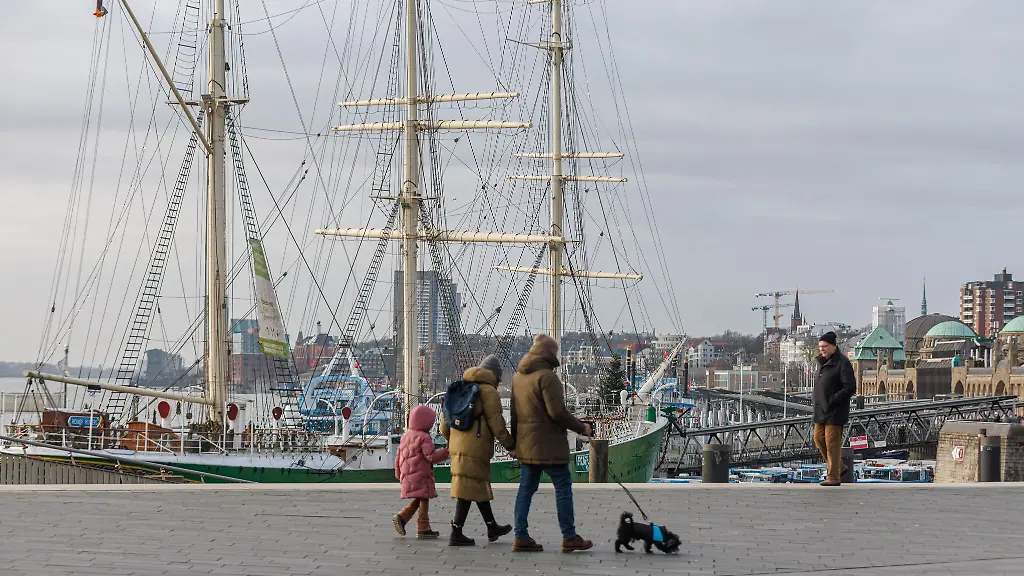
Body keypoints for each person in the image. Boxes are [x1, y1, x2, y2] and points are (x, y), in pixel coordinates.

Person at [510, 334, 594, 553]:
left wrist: (513, 444)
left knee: (526, 489)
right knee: (563, 486)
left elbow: (514, 414)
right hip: (549, 444)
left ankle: (520, 536)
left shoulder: (518, 378)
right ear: (550, 354)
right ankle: (569, 536)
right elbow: (557, 412)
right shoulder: (548, 378)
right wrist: (581, 427)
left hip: (527, 444)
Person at [441, 355, 516, 546]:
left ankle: (491, 527)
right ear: (495, 376)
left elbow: (444, 424)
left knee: (475, 485)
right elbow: (497, 424)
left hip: (458, 444)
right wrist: (510, 445)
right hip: (476, 445)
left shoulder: (460, 386)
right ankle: (456, 533)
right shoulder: (488, 391)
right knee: (469, 488)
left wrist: (452, 440)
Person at [393, 405, 450, 538]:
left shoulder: (405, 435)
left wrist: (398, 473)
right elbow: (431, 457)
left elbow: (398, 456)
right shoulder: (424, 437)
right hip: (421, 474)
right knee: (424, 497)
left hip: (407, 474)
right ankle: (419, 526)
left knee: (422, 497)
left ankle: (408, 519)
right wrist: (446, 451)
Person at [812, 331, 857, 486]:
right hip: (821, 410)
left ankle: (833, 477)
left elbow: (850, 387)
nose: (822, 349)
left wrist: (833, 400)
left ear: (833, 346)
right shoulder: (822, 363)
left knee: (832, 443)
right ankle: (839, 466)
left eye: (825, 346)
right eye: (820, 346)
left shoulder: (842, 362)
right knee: (818, 439)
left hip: (835, 410)